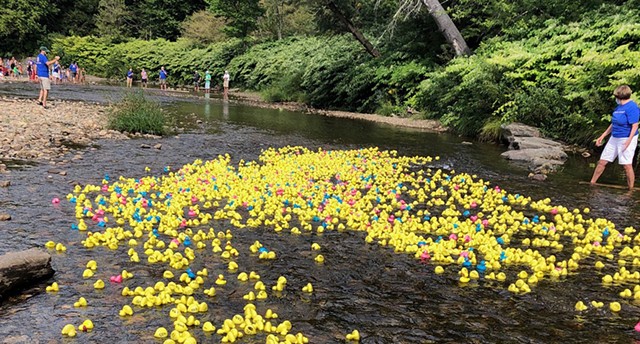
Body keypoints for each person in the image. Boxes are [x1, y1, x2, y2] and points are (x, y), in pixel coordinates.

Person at [590, 85, 640, 190]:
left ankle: (630, 189)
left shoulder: (632, 107)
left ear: (619, 95)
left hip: (626, 137)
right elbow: (614, 123)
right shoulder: (619, 107)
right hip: (615, 137)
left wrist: (629, 141)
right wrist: (603, 135)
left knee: (626, 165)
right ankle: (592, 183)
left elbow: (635, 126)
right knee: (602, 161)